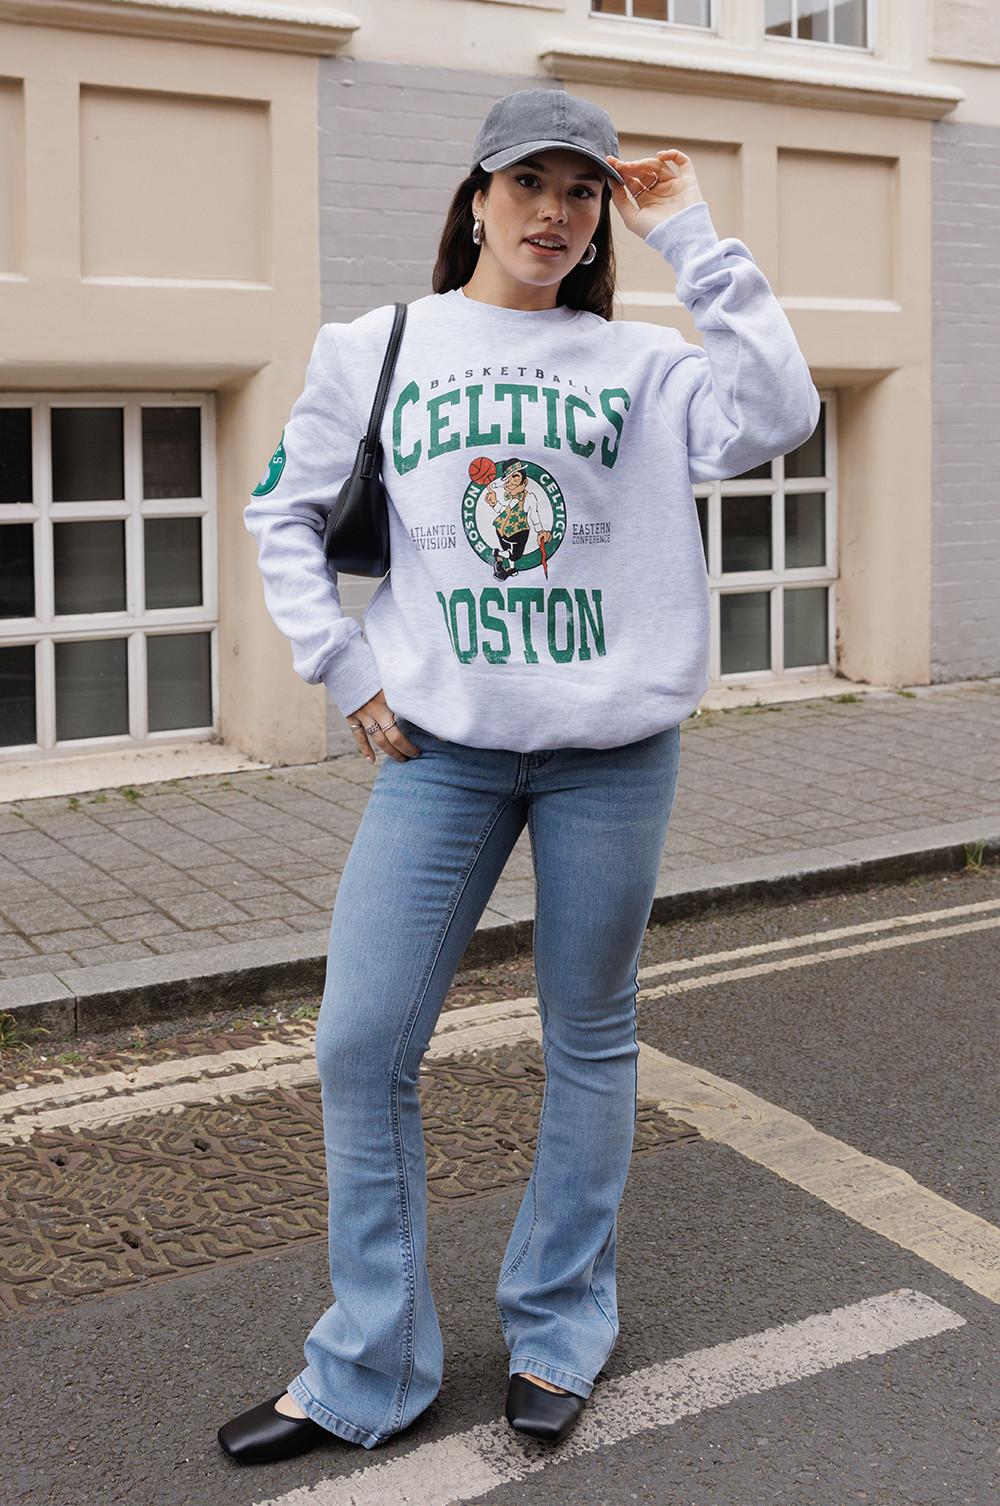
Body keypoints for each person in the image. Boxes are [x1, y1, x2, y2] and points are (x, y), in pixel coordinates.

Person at [219, 87, 819, 1466]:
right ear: (477, 199)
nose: (554, 212)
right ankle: (372, 1361)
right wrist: (345, 668)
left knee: (588, 1035)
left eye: (582, 191)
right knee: (362, 1042)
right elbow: (284, 512)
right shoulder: (380, 346)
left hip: (614, 756)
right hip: (442, 754)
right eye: (529, 183)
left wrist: (691, 231)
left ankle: (558, 1326)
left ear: (604, 214)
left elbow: (779, 411)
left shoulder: (646, 365)